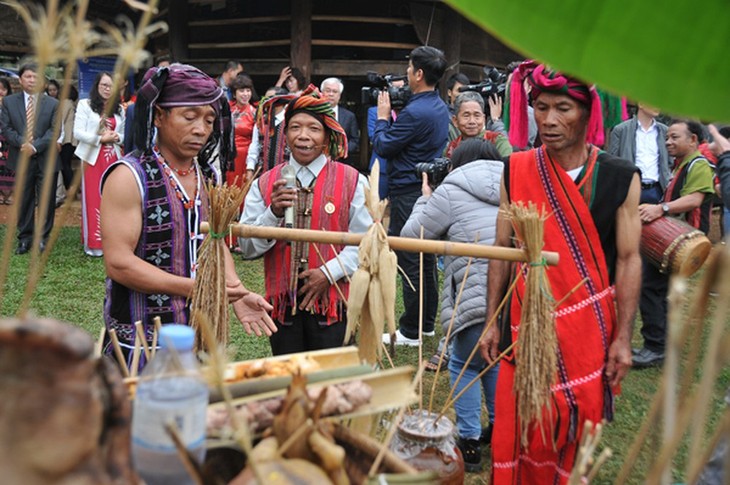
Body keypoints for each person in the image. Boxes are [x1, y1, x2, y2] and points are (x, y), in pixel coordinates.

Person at [480, 61, 641, 483]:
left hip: (587, 330)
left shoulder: (619, 176)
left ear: (588, 113)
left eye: (564, 109)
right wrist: (491, 320)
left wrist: (624, 336)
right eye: (541, 107)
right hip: (526, 322)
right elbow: (502, 248)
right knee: (522, 420)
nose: (549, 120)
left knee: (574, 420)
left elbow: (628, 260)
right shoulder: (516, 169)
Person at [100, 63, 274, 367]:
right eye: (189, 117)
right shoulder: (129, 176)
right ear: (158, 116)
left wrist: (236, 291)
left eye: (208, 120)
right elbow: (119, 263)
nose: (201, 129)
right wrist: (197, 288)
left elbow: (214, 240)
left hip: (197, 330)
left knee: (194, 412)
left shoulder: (207, 175)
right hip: (142, 338)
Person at [239, 87, 372, 356]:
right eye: (295, 127)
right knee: (291, 382)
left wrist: (329, 272)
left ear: (327, 137)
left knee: (332, 384)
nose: (303, 136)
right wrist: (273, 213)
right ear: (285, 135)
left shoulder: (354, 181)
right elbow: (248, 248)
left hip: (334, 306)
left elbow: (367, 244)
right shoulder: (264, 183)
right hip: (282, 310)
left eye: (313, 128)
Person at [401, 137, 503, 472]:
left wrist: (424, 199)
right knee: (496, 361)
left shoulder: (451, 189)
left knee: (465, 363)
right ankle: (503, 432)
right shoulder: (514, 182)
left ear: (455, 163)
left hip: (473, 296)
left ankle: (470, 441)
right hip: (513, 296)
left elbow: (412, 235)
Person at [372, 45, 449, 346]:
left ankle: (411, 330)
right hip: (427, 186)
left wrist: (381, 117)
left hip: (408, 190)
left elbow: (383, 146)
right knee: (425, 257)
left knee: (409, 258)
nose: (405, 73)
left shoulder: (415, 112)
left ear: (419, 73)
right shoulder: (439, 106)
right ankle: (426, 323)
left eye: (409, 68)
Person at [634, 120, 716, 367]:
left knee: (650, 287)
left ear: (693, 140)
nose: (668, 142)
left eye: (675, 137)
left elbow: (695, 199)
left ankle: (656, 348)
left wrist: (661, 208)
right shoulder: (682, 164)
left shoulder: (698, 163)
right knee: (658, 290)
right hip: (674, 239)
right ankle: (663, 344)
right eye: (667, 137)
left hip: (682, 240)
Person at [607, 103, 672, 368]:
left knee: (655, 264)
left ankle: (659, 338)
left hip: (656, 193)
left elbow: (667, 162)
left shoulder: (665, 131)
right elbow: (612, 160)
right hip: (630, 191)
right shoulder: (622, 129)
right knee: (628, 252)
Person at [0, 63, 59, 255]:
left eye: (36, 77)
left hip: (46, 158)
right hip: (21, 157)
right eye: (28, 76)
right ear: (20, 79)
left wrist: (35, 146)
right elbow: (6, 128)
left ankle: (43, 237)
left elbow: (54, 130)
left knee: (46, 199)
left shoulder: (52, 103)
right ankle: (25, 238)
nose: (32, 80)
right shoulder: (9, 102)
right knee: (24, 198)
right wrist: (22, 143)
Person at [73, 71, 125, 257]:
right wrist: (99, 138)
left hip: (114, 157)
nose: (107, 89)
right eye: (104, 85)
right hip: (92, 158)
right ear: (96, 86)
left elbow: (125, 133)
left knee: (114, 200)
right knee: (94, 199)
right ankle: (95, 244)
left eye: (111, 86)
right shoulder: (85, 105)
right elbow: (77, 132)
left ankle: (114, 241)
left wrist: (117, 136)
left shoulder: (119, 109)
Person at [445, 91, 512, 158]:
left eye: (477, 115)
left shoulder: (498, 142)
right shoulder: (451, 148)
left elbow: (507, 165)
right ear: (455, 121)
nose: (472, 121)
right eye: (466, 116)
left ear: (483, 119)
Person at [245, 86, 292, 179]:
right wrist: (250, 169)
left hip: (286, 176)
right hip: (262, 175)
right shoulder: (261, 122)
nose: (266, 102)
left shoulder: (291, 122)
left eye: (270, 99)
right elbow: (254, 147)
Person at [226, 74, 257, 188]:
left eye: (248, 90)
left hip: (246, 156)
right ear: (234, 93)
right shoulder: (227, 111)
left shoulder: (255, 113)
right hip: (229, 156)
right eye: (241, 91)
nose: (245, 94)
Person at [321, 77, 360, 163]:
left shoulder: (349, 116)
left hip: (342, 162)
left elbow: (355, 141)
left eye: (335, 92)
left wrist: (342, 150)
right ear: (321, 93)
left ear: (339, 96)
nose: (331, 94)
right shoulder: (313, 114)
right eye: (328, 91)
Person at [55, 85, 78, 207]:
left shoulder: (64, 103)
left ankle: (71, 189)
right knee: (66, 164)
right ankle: (72, 190)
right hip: (71, 139)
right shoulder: (71, 103)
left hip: (66, 139)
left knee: (64, 165)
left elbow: (60, 121)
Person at [0, 76, 14, 205]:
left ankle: (9, 194)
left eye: (3, 89)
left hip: (8, 139)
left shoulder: (12, 103)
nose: (1, 92)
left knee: (9, 167)